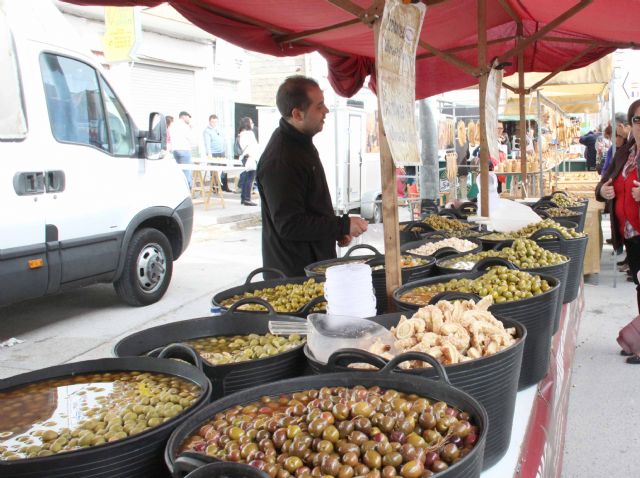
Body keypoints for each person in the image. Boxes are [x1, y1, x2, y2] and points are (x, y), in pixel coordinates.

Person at [256, 75, 369, 277]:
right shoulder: (281, 160)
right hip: (294, 274)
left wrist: (336, 230)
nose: (326, 111)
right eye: (319, 106)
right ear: (297, 114)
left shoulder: (301, 143)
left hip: (314, 263)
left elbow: (310, 204)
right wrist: (342, 224)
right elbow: (290, 224)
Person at [596, 99, 640, 364]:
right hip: (631, 233)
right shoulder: (625, 152)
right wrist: (604, 191)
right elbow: (603, 183)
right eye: (637, 119)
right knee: (639, 284)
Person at [203, 114, 231, 191]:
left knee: (224, 170)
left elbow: (223, 140)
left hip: (221, 152)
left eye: (216, 122)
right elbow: (207, 144)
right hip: (213, 153)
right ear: (209, 121)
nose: (214, 123)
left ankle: (225, 187)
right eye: (212, 122)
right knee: (215, 171)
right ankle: (215, 188)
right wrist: (209, 155)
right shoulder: (207, 131)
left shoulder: (218, 129)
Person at [237, 117, 259, 206]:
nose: (252, 124)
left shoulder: (241, 134)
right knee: (250, 179)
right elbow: (253, 146)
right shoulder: (249, 133)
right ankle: (247, 199)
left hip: (244, 157)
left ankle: (243, 198)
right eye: (251, 122)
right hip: (250, 157)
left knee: (246, 178)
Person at [171, 111, 196, 187]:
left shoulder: (173, 125)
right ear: (183, 117)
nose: (189, 119)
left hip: (175, 150)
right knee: (186, 171)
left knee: (178, 172)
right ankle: (188, 190)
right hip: (184, 149)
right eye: (188, 117)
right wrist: (191, 129)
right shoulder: (184, 126)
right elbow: (191, 138)